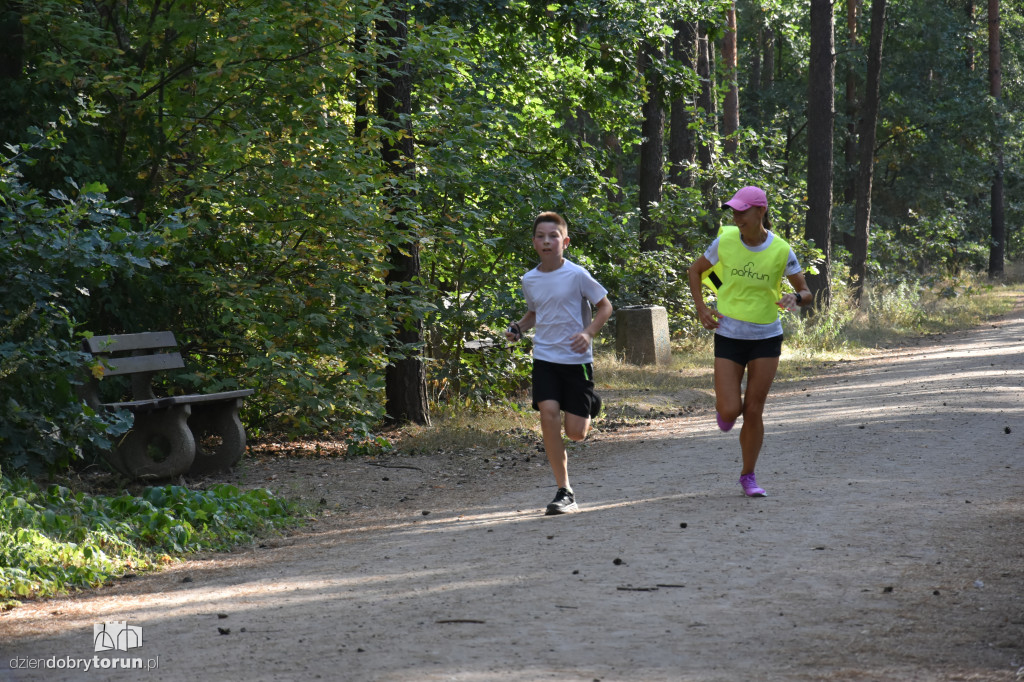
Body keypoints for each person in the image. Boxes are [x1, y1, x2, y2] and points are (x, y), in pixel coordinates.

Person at [686, 186, 811, 497]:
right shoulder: (725, 241)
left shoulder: (782, 250)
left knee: (754, 409)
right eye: (734, 211)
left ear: (760, 212)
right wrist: (702, 308)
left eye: (743, 211)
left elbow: (806, 293)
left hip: (766, 336)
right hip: (729, 334)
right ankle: (726, 414)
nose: (736, 216)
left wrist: (794, 297)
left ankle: (748, 476)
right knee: (730, 410)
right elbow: (696, 270)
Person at [506, 211, 613, 515]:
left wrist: (588, 332)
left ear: (565, 241)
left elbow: (605, 306)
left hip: (576, 360)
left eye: (553, 236)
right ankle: (564, 490)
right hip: (545, 359)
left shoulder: (577, 275)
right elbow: (534, 313)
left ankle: (590, 402)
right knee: (548, 414)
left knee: (577, 433)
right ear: (534, 242)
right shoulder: (530, 279)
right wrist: (518, 329)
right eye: (541, 236)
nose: (546, 241)